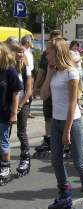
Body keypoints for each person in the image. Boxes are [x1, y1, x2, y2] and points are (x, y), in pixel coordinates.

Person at [40, 38, 83, 209]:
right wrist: (49, 74)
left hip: (71, 122)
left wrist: (66, 130)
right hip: (56, 122)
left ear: (57, 52)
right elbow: (43, 96)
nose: (46, 54)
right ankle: (65, 196)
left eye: (48, 51)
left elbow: (72, 103)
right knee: (56, 161)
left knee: (79, 161)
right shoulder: (55, 72)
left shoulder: (72, 73)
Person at [33, 30, 62, 158]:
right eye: (53, 39)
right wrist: (35, 86)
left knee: (61, 116)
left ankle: (63, 141)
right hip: (48, 88)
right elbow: (41, 71)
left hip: (61, 92)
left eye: (58, 39)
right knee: (48, 115)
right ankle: (48, 140)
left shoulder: (65, 54)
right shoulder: (46, 54)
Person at [0, 42, 22, 185]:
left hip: (4, 113)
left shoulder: (10, 70)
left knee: (3, 142)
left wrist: (14, 113)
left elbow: (15, 93)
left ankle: (5, 168)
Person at [12, 44, 32, 176]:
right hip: (10, 104)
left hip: (23, 103)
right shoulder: (9, 68)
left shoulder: (26, 68)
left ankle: (25, 158)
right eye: (17, 52)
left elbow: (28, 90)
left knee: (21, 132)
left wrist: (19, 106)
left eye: (21, 52)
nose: (19, 54)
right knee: (5, 133)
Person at [20, 35, 35, 118]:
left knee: (29, 94)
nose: (32, 43)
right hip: (26, 74)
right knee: (27, 93)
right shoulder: (22, 51)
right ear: (27, 42)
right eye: (31, 41)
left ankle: (28, 111)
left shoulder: (28, 50)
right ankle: (24, 110)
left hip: (30, 73)